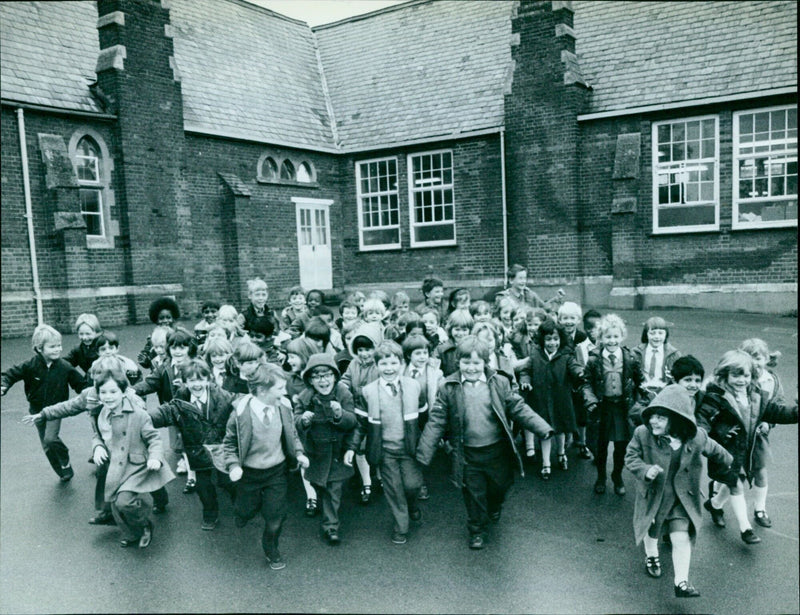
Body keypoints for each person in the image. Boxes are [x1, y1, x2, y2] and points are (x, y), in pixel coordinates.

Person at [416, 335, 554, 550]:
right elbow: (436, 421)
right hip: (467, 453)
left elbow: (518, 408)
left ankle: (495, 506)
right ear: (457, 362)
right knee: (473, 493)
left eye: (476, 363)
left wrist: (542, 428)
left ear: (485, 362)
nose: (471, 368)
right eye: (466, 362)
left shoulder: (499, 382)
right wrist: (424, 452)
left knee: (499, 487)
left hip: (496, 450)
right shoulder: (448, 387)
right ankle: (476, 529)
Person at [625, 385, 733, 598]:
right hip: (654, 495)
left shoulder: (696, 437)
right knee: (652, 528)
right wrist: (646, 470)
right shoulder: (642, 434)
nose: (653, 421)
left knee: (681, 536)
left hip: (682, 498)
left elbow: (719, 453)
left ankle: (681, 583)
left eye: (661, 418)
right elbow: (630, 457)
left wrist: (727, 470)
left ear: (677, 419)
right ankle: (652, 555)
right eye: (652, 416)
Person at [22, 356, 148, 526]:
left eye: (105, 377)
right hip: (107, 444)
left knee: (143, 478)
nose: (100, 383)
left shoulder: (127, 395)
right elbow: (69, 406)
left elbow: (142, 412)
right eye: (96, 377)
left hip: (130, 445)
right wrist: (44, 414)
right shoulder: (91, 394)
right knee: (103, 472)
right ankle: (107, 511)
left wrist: (126, 403)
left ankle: (158, 500)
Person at [696, 350, 798, 544]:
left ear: (752, 376)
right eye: (735, 375)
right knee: (735, 484)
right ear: (724, 375)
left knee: (736, 480)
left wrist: (795, 412)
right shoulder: (715, 397)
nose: (741, 380)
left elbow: (776, 412)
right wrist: (719, 433)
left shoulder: (757, 396)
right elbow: (703, 421)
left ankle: (715, 504)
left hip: (746, 451)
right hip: (724, 452)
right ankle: (746, 529)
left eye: (746, 375)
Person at [222, 363, 309, 570]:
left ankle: (271, 548)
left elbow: (292, 434)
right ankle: (242, 512)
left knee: (276, 516)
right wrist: (233, 465)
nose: (284, 392)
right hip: (248, 474)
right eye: (279, 388)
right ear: (262, 390)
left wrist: (299, 453)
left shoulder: (284, 407)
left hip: (276, 473)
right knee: (246, 509)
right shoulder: (240, 413)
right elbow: (229, 444)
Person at [345, 340, 424, 545]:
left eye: (393, 363)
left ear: (401, 363)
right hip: (385, 450)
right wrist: (352, 447)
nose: (389, 368)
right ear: (376, 365)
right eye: (384, 364)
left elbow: (424, 418)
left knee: (412, 486)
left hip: (409, 449)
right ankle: (401, 527)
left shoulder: (414, 386)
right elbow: (361, 424)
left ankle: (413, 505)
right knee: (395, 490)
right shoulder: (368, 391)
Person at [91, 367, 174, 548]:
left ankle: (145, 525)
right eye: (103, 392)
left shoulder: (138, 414)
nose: (108, 396)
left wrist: (155, 457)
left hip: (136, 465)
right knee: (114, 503)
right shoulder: (101, 413)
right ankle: (132, 533)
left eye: (113, 391)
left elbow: (154, 439)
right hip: (115, 465)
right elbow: (97, 435)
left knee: (124, 502)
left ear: (123, 392)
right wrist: (97, 446)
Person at [149, 360, 235, 529]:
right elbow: (164, 413)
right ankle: (210, 516)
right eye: (191, 380)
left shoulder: (223, 397)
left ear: (209, 379)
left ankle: (241, 507)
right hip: (197, 451)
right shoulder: (180, 401)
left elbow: (240, 405)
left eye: (201, 379)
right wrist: (142, 418)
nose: (196, 384)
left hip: (221, 449)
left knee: (228, 482)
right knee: (203, 487)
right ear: (185, 382)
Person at [2, 324, 86, 481]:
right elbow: (10, 374)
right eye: (52, 346)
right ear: (39, 348)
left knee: (50, 438)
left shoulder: (64, 367)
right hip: (36, 410)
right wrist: (4, 385)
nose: (58, 349)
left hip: (56, 409)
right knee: (46, 446)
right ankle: (62, 471)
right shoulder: (30, 365)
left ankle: (65, 459)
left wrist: (93, 394)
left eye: (59, 345)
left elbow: (81, 384)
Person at [294, 354, 357, 545]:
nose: (323, 380)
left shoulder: (343, 393)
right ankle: (326, 509)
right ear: (310, 380)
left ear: (335, 377)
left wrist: (340, 414)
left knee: (333, 489)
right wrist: (303, 420)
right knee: (320, 486)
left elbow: (353, 422)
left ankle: (331, 526)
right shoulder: (305, 396)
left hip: (337, 452)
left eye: (327, 375)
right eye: (317, 376)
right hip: (316, 452)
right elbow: (295, 421)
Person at [581, 314, 642, 495]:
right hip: (602, 407)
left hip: (622, 409)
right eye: (608, 337)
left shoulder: (629, 358)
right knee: (601, 445)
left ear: (621, 336)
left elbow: (640, 381)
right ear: (600, 338)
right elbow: (586, 383)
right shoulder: (593, 359)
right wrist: (590, 400)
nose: (612, 340)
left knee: (621, 446)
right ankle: (601, 476)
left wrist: (640, 401)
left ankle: (617, 475)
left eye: (616, 336)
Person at [520, 319, 584, 479]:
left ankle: (562, 453)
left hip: (560, 400)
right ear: (542, 340)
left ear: (561, 339)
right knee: (545, 431)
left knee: (560, 430)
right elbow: (525, 370)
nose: (552, 343)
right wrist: (525, 381)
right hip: (540, 400)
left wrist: (580, 373)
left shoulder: (566, 355)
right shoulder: (535, 354)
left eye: (555, 339)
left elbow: (574, 367)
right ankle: (546, 463)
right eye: (548, 339)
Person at [738, 338, 784, 527]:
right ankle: (716, 497)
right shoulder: (740, 377)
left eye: (759, 358)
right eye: (750, 358)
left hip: (758, 435)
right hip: (738, 433)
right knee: (731, 471)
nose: (755, 362)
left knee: (761, 471)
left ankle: (760, 508)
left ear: (766, 359)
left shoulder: (771, 380)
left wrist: (768, 422)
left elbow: (778, 405)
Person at [340, 322, 383, 504]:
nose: (364, 354)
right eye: (360, 350)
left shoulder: (380, 365)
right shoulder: (353, 364)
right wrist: (341, 389)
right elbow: (345, 380)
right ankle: (367, 481)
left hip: (378, 412)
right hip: (359, 410)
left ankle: (381, 476)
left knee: (379, 444)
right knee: (360, 447)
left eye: (368, 349)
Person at [284, 336, 322, 518]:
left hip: (320, 427)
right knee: (304, 459)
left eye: (293, 356)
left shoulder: (318, 377)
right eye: (288, 356)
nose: (289, 361)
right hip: (300, 427)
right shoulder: (290, 380)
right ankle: (311, 495)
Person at [402, 333, 444, 500]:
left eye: (425, 353)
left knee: (424, 448)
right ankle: (416, 481)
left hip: (426, 415)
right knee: (409, 448)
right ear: (408, 355)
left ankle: (422, 483)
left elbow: (441, 388)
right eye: (417, 353)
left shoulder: (434, 372)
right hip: (407, 416)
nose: (422, 357)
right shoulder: (401, 370)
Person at [630, 316, 682, 403]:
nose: (657, 337)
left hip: (664, 394)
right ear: (646, 334)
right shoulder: (635, 353)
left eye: (660, 333)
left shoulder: (674, 354)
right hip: (641, 393)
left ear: (666, 335)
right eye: (652, 333)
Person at [573, 309, 601, 460]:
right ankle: (584, 444)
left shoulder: (606, 344)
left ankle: (598, 453)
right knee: (585, 420)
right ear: (586, 329)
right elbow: (578, 367)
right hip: (587, 389)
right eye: (591, 328)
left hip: (602, 390)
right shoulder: (580, 348)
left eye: (598, 327)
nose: (594, 331)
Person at [495, 264, 564, 312]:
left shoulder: (530, 294)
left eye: (524, 278)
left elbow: (544, 308)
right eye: (520, 278)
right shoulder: (503, 297)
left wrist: (556, 299)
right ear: (511, 280)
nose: (523, 281)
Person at [138, 296, 180, 369]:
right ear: (156, 320)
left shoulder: (178, 334)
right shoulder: (153, 337)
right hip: (158, 369)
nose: (165, 320)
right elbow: (148, 353)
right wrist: (145, 360)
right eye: (161, 318)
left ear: (173, 318)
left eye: (168, 317)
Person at [438, 309, 475, 377]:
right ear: (450, 329)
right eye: (457, 329)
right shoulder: (443, 349)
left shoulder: (475, 347)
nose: (460, 333)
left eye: (464, 330)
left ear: (470, 330)